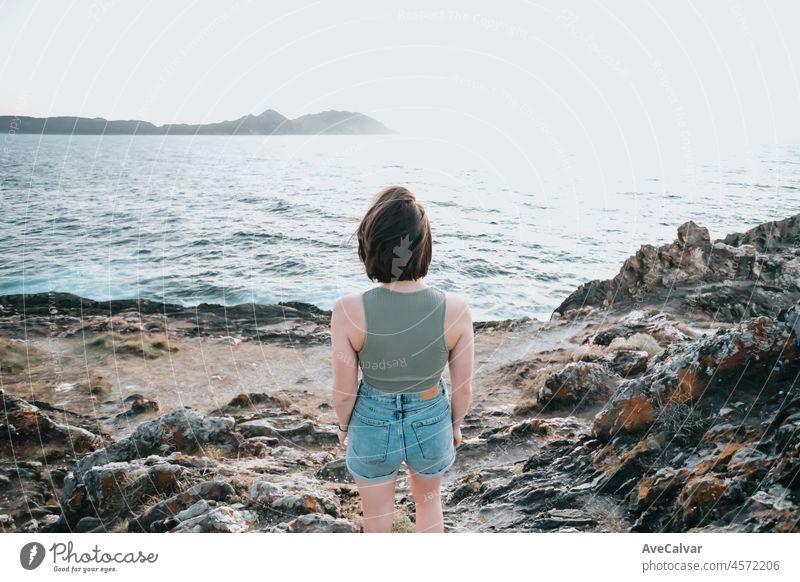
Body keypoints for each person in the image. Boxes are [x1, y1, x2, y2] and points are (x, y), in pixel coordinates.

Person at [330, 185, 474, 533]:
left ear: (372, 245)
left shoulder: (348, 310)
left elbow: (344, 389)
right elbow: (464, 387)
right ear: (424, 247)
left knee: (377, 519)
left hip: (371, 421)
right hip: (431, 417)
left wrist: (344, 426)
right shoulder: (455, 310)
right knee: (429, 505)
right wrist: (454, 424)